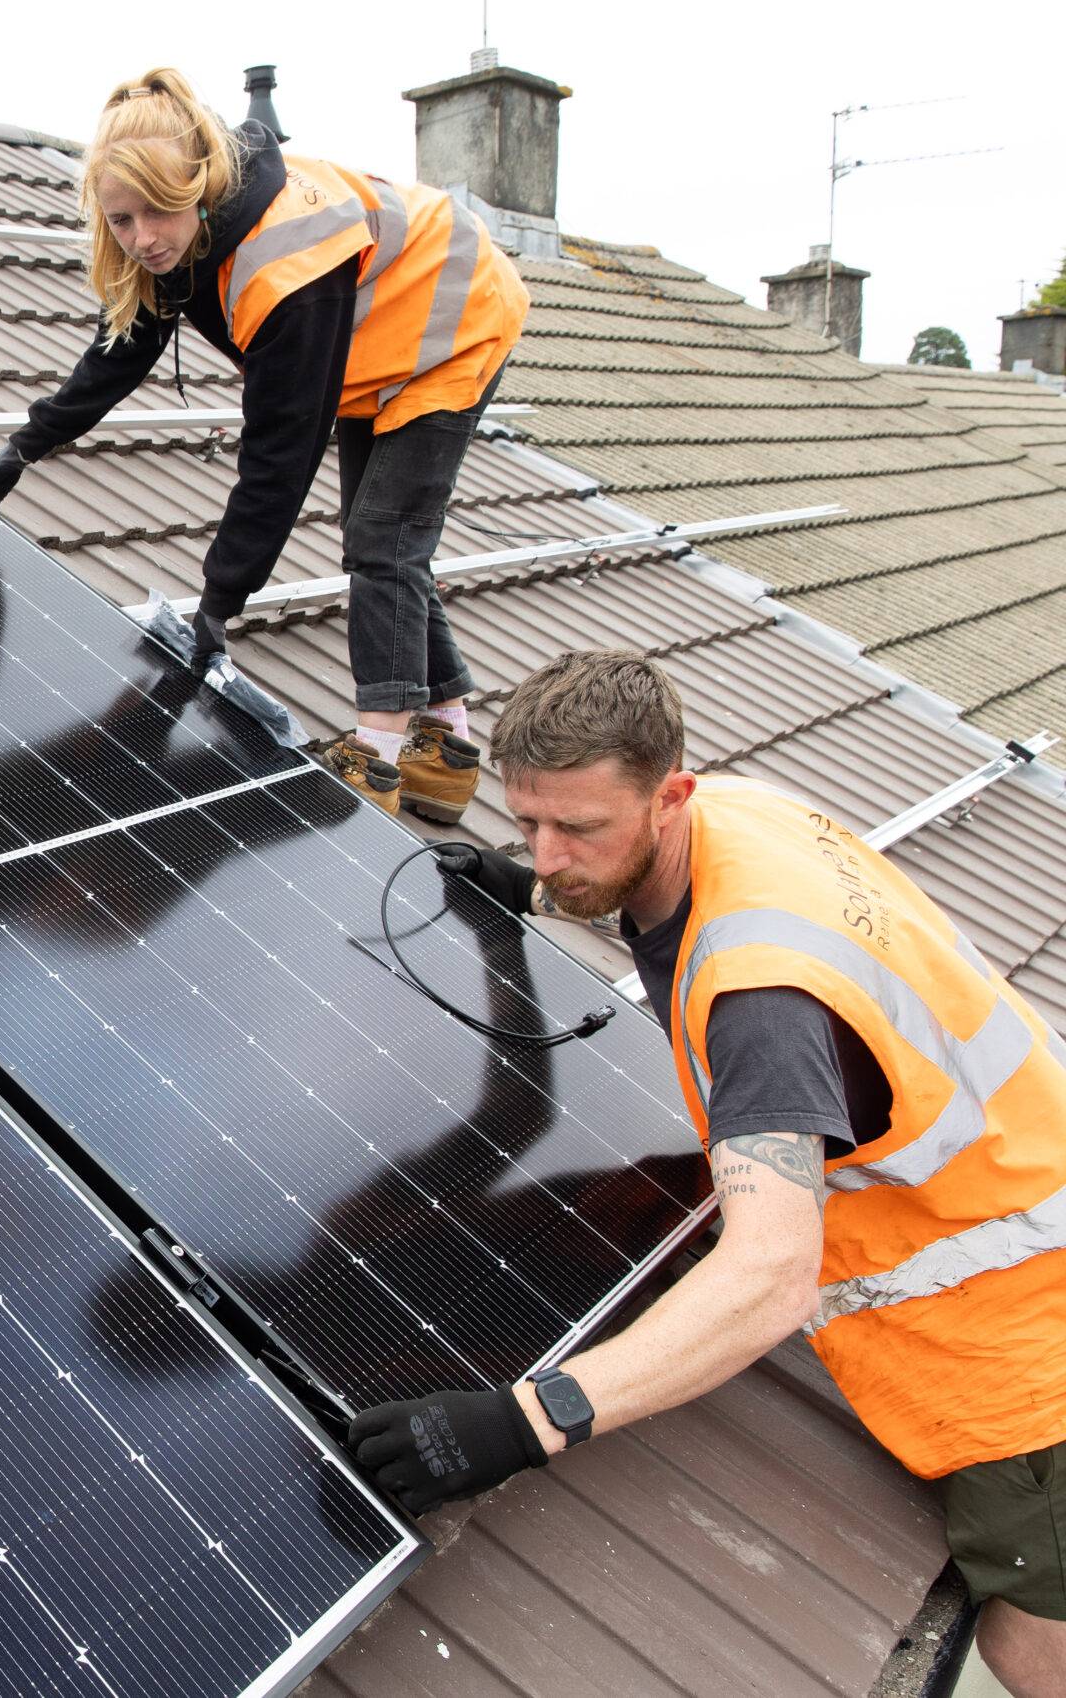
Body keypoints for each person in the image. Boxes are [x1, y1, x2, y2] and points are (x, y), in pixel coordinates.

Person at [356, 650, 1066, 1698]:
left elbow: (770, 1275)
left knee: (1027, 1636)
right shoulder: (735, 813)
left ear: (669, 792)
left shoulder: (763, 1007)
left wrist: (528, 1419)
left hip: (1019, 1335)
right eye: (530, 822)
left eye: (578, 832)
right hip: (1018, 1166)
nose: (547, 853)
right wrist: (542, 895)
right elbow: (659, 884)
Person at [0, 65, 529, 825]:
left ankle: (377, 756)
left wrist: (220, 601)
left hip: (451, 323)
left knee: (381, 538)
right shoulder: (182, 242)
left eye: (155, 213)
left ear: (194, 185)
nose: (142, 238)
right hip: (372, 346)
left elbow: (279, 456)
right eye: (121, 221)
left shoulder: (284, 263)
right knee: (386, 542)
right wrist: (21, 451)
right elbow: (118, 356)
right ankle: (448, 752)